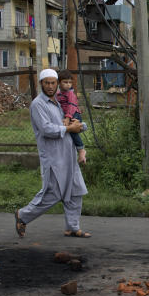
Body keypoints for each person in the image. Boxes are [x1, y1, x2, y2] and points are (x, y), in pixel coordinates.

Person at [14, 69, 91, 238]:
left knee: (76, 191)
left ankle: (72, 227)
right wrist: (69, 128)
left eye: (53, 83)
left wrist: (80, 125)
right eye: (46, 83)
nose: (50, 86)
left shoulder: (59, 102)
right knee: (53, 193)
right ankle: (23, 215)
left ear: (57, 84)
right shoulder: (38, 104)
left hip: (69, 155)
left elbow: (72, 123)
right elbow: (46, 129)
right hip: (54, 157)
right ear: (41, 83)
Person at [55, 69, 87, 164]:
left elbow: (71, 106)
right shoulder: (58, 94)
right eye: (65, 82)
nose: (68, 84)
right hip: (66, 115)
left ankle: (81, 150)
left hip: (73, 114)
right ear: (59, 83)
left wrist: (68, 118)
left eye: (70, 82)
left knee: (73, 131)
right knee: (68, 131)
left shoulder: (70, 93)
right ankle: (82, 126)